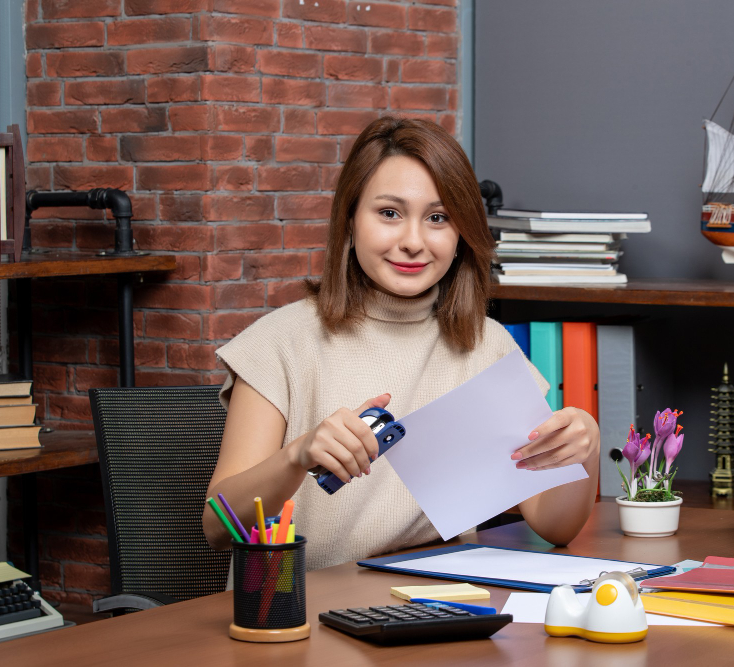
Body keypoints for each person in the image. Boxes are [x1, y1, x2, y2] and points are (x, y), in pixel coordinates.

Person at [203, 116, 600, 570]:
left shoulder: (488, 346)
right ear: (350, 220)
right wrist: (297, 456)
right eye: (389, 213)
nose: (413, 241)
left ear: (461, 235)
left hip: (434, 609)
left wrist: (582, 449)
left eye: (437, 218)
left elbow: (556, 527)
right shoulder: (278, 344)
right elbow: (218, 529)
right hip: (297, 612)